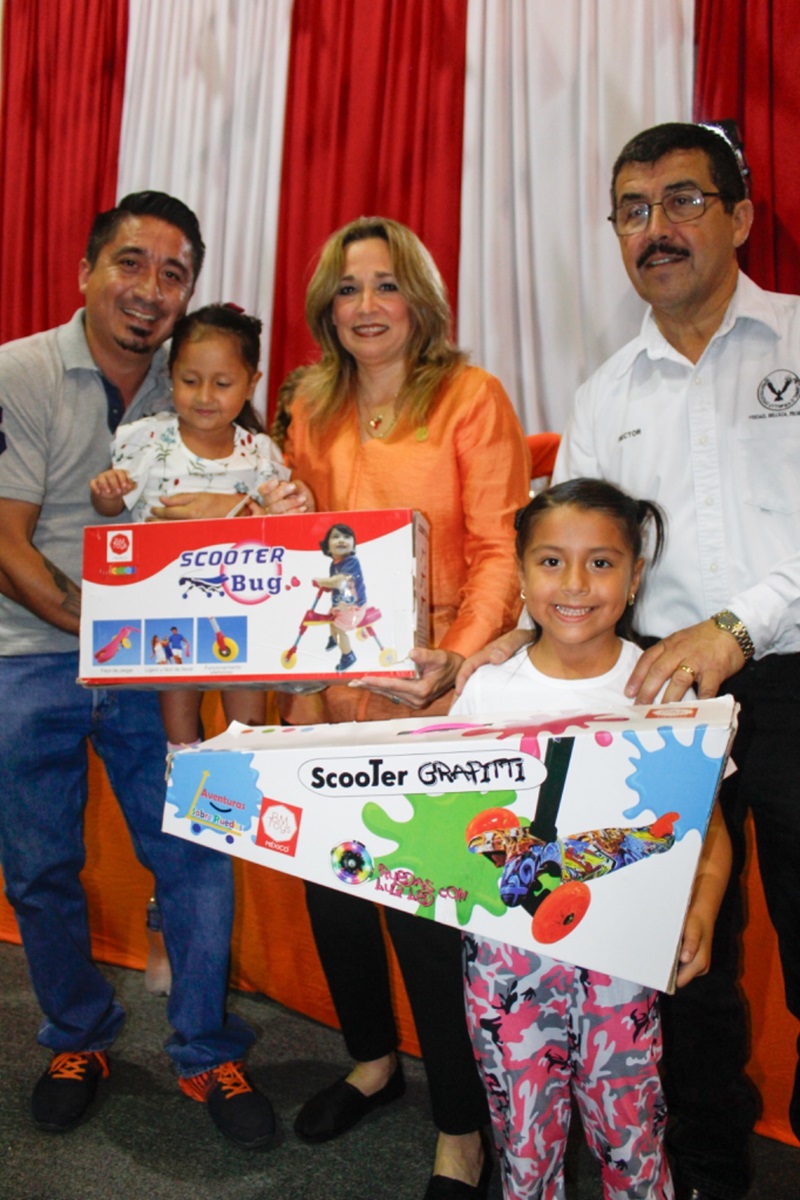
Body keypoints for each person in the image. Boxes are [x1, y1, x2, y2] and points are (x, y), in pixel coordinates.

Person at [459, 121, 800, 1200]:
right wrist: (507, 644)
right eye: (633, 209)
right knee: (676, 957)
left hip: (791, 676)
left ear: (740, 216)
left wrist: (736, 627)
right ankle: (707, 1172)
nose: (658, 228)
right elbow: (578, 559)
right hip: (650, 695)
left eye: (684, 200)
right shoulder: (604, 393)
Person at [0, 192, 276, 1149]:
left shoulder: (197, 378)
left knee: (194, 847)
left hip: (157, 660)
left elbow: (261, 520)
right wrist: (106, 629)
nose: (150, 288)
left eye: (173, 273)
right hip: (30, 650)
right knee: (39, 864)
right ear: (85, 271)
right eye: (130, 262)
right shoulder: (22, 372)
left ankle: (205, 1048)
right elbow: (7, 542)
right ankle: (77, 1035)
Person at [268, 215, 530, 1198]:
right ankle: (372, 1063)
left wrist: (455, 662)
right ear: (325, 308)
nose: (367, 305)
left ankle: (461, 1127)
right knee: (333, 890)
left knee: (425, 913)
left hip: (436, 688)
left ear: (418, 300)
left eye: (385, 285)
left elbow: (502, 549)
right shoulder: (309, 406)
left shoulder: (470, 396)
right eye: (348, 288)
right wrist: (299, 689)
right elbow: (296, 554)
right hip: (330, 689)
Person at [452, 479, 732, 1200]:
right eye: (551, 561)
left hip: (622, 967)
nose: (575, 583)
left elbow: (709, 829)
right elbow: (454, 824)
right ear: (521, 574)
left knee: (631, 1132)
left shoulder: (666, 691)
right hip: (506, 968)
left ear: (635, 577)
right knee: (523, 1140)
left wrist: (701, 909)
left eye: (601, 563)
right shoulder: (487, 691)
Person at [89, 302, 295, 744]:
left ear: (251, 384)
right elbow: (111, 508)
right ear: (171, 377)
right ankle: (181, 756)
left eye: (222, 384)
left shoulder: (259, 454)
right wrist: (105, 492)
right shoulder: (148, 440)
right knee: (177, 683)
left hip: (241, 598)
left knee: (246, 690)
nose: (204, 396)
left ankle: (248, 753)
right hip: (168, 596)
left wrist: (273, 507)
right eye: (189, 381)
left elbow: (277, 527)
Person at [313, 522, 367, 672]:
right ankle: (334, 638)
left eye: (347, 537)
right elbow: (336, 584)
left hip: (354, 606)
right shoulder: (334, 564)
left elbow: (340, 580)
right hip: (342, 604)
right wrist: (327, 586)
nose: (342, 540)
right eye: (336, 537)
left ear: (353, 545)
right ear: (327, 547)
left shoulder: (351, 562)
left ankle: (348, 655)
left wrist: (322, 581)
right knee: (331, 618)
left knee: (338, 627)